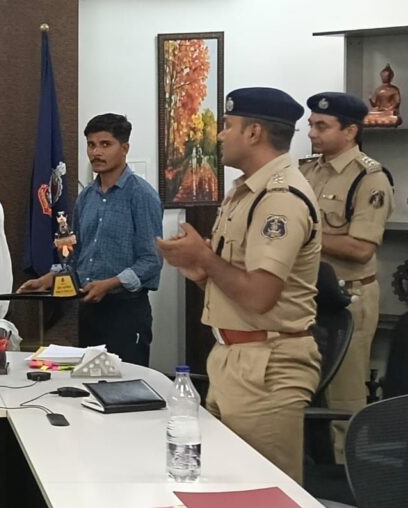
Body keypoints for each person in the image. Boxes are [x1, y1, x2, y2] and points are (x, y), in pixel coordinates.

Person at [157, 87, 321, 484]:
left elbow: (260, 296)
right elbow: (238, 284)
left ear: (254, 132)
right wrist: (201, 270)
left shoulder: (280, 199)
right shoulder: (245, 192)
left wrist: (206, 257)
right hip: (234, 357)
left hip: (267, 366)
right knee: (224, 486)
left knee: (264, 494)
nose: (219, 134)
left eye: (228, 125)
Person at [17, 113, 163, 365]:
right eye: (91, 145)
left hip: (125, 312)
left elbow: (151, 261)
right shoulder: (86, 198)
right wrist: (47, 280)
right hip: (89, 311)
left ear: (124, 148)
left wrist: (110, 283)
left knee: (125, 382)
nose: (96, 152)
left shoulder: (141, 195)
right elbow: (77, 257)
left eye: (105, 144)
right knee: (89, 382)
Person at [301, 91, 394, 462]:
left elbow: (361, 248)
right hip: (305, 296)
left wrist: (305, 236)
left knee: (344, 397)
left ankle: (346, 475)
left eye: (322, 126)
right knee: (303, 389)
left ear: (351, 131)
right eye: (311, 124)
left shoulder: (370, 178)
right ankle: (308, 473)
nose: (312, 133)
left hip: (348, 298)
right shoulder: (307, 171)